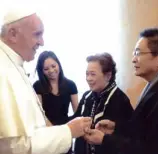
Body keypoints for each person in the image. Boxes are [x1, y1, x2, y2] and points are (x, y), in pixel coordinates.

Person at [0, 9, 92, 154]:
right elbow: (13, 146)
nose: (42, 42)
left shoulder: (14, 64)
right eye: (37, 34)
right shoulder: (3, 71)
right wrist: (68, 131)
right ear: (13, 34)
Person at [84, 28, 158, 154]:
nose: (133, 59)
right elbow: (144, 129)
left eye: (138, 53)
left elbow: (152, 148)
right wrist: (116, 128)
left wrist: (104, 140)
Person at [72, 52, 133, 154]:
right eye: (87, 74)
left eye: (93, 74)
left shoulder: (120, 99)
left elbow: (127, 136)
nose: (88, 78)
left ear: (108, 76)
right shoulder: (87, 96)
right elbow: (75, 118)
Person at [33, 51, 78, 125]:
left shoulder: (71, 85)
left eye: (53, 66)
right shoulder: (37, 86)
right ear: (42, 71)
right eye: (46, 69)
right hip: (46, 128)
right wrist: (53, 130)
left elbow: (77, 113)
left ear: (58, 65)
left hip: (66, 128)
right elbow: (39, 114)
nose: (51, 70)